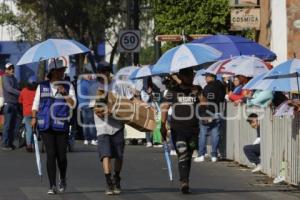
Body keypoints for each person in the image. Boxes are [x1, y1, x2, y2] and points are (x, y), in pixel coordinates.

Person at [31, 59, 76, 195]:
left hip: (61, 125)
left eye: (63, 70)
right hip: (45, 125)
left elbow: (73, 104)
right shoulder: (42, 86)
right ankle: (52, 185)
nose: (63, 72)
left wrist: (64, 93)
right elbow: (35, 104)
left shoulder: (68, 86)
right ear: (54, 72)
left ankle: (62, 178)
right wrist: (33, 117)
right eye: (61, 70)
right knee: (51, 154)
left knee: (61, 156)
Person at [160, 68, 201, 194]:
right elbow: (165, 107)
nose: (191, 77)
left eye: (192, 75)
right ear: (182, 76)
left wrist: (199, 94)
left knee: (188, 154)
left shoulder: (197, 89)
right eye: (188, 75)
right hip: (178, 129)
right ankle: (184, 182)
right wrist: (163, 125)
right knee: (182, 153)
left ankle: (185, 179)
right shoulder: (173, 91)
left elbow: (205, 104)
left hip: (193, 129)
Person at [92, 61, 125, 195]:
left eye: (106, 71)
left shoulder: (118, 85)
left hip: (117, 125)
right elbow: (95, 108)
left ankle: (116, 178)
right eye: (101, 72)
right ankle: (108, 182)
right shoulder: (96, 87)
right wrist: (104, 111)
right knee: (106, 154)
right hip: (102, 126)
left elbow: (127, 101)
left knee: (119, 155)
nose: (104, 74)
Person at [194, 72, 226, 163]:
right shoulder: (222, 86)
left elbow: (205, 101)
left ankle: (201, 154)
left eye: (206, 77)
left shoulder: (208, 88)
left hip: (207, 112)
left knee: (203, 133)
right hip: (218, 111)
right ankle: (214, 155)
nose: (205, 79)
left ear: (211, 77)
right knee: (215, 134)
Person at [1, 63, 20, 151]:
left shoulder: (14, 78)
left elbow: (16, 88)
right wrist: (20, 93)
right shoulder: (5, 78)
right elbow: (9, 89)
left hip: (15, 103)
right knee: (7, 125)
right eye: (10, 68)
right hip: (8, 104)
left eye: (12, 68)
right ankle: (5, 144)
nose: (12, 69)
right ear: (6, 70)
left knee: (13, 125)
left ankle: (10, 143)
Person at [77, 73, 97, 145]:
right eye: (88, 75)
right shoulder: (88, 84)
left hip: (82, 105)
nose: (90, 76)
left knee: (85, 123)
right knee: (91, 123)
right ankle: (93, 139)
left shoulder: (79, 83)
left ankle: (86, 139)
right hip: (89, 105)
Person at [18, 75, 37, 152]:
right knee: (36, 129)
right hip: (35, 112)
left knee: (28, 129)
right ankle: (39, 144)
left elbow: (20, 101)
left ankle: (29, 144)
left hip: (26, 113)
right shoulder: (36, 91)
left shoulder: (24, 91)